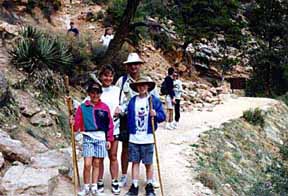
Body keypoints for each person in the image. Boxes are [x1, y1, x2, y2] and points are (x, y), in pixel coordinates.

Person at [115, 52, 159, 188]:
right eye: (131, 65)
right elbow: (117, 100)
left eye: (136, 64)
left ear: (140, 65)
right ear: (127, 67)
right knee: (126, 148)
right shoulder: (121, 82)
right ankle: (123, 175)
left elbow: (155, 100)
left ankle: (150, 179)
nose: (134, 67)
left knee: (147, 149)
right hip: (126, 120)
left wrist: (155, 114)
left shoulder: (147, 81)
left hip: (145, 121)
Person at [125, 76, 166, 196]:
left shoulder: (154, 100)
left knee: (148, 163)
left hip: (148, 137)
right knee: (135, 162)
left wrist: (156, 114)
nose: (142, 87)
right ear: (137, 87)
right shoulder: (133, 101)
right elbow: (128, 116)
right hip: (134, 137)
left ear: (148, 86)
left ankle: (149, 185)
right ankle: (135, 186)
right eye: (139, 85)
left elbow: (162, 116)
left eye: (144, 85)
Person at [72, 81, 114, 196]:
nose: (95, 95)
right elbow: (76, 126)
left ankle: (94, 187)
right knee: (87, 163)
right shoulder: (83, 107)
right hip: (88, 137)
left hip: (101, 138)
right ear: (89, 93)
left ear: (100, 93)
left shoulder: (105, 107)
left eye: (97, 93)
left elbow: (109, 124)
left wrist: (109, 139)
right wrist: (72, 123)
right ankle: (86, 187)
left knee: (97, 163)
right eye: (92, 92)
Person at [96, 65, 121, 195]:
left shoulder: (117, 90)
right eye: (105, 75)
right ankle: (99, 181)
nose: (108, 78)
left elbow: (123, 104)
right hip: (100, 130)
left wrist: (120, 109)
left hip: (114, 128)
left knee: (113, 156)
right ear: (101, 76)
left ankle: (115, 181)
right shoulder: (96, 91)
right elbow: (86, 105)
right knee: (100, 157)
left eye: (110, 75)